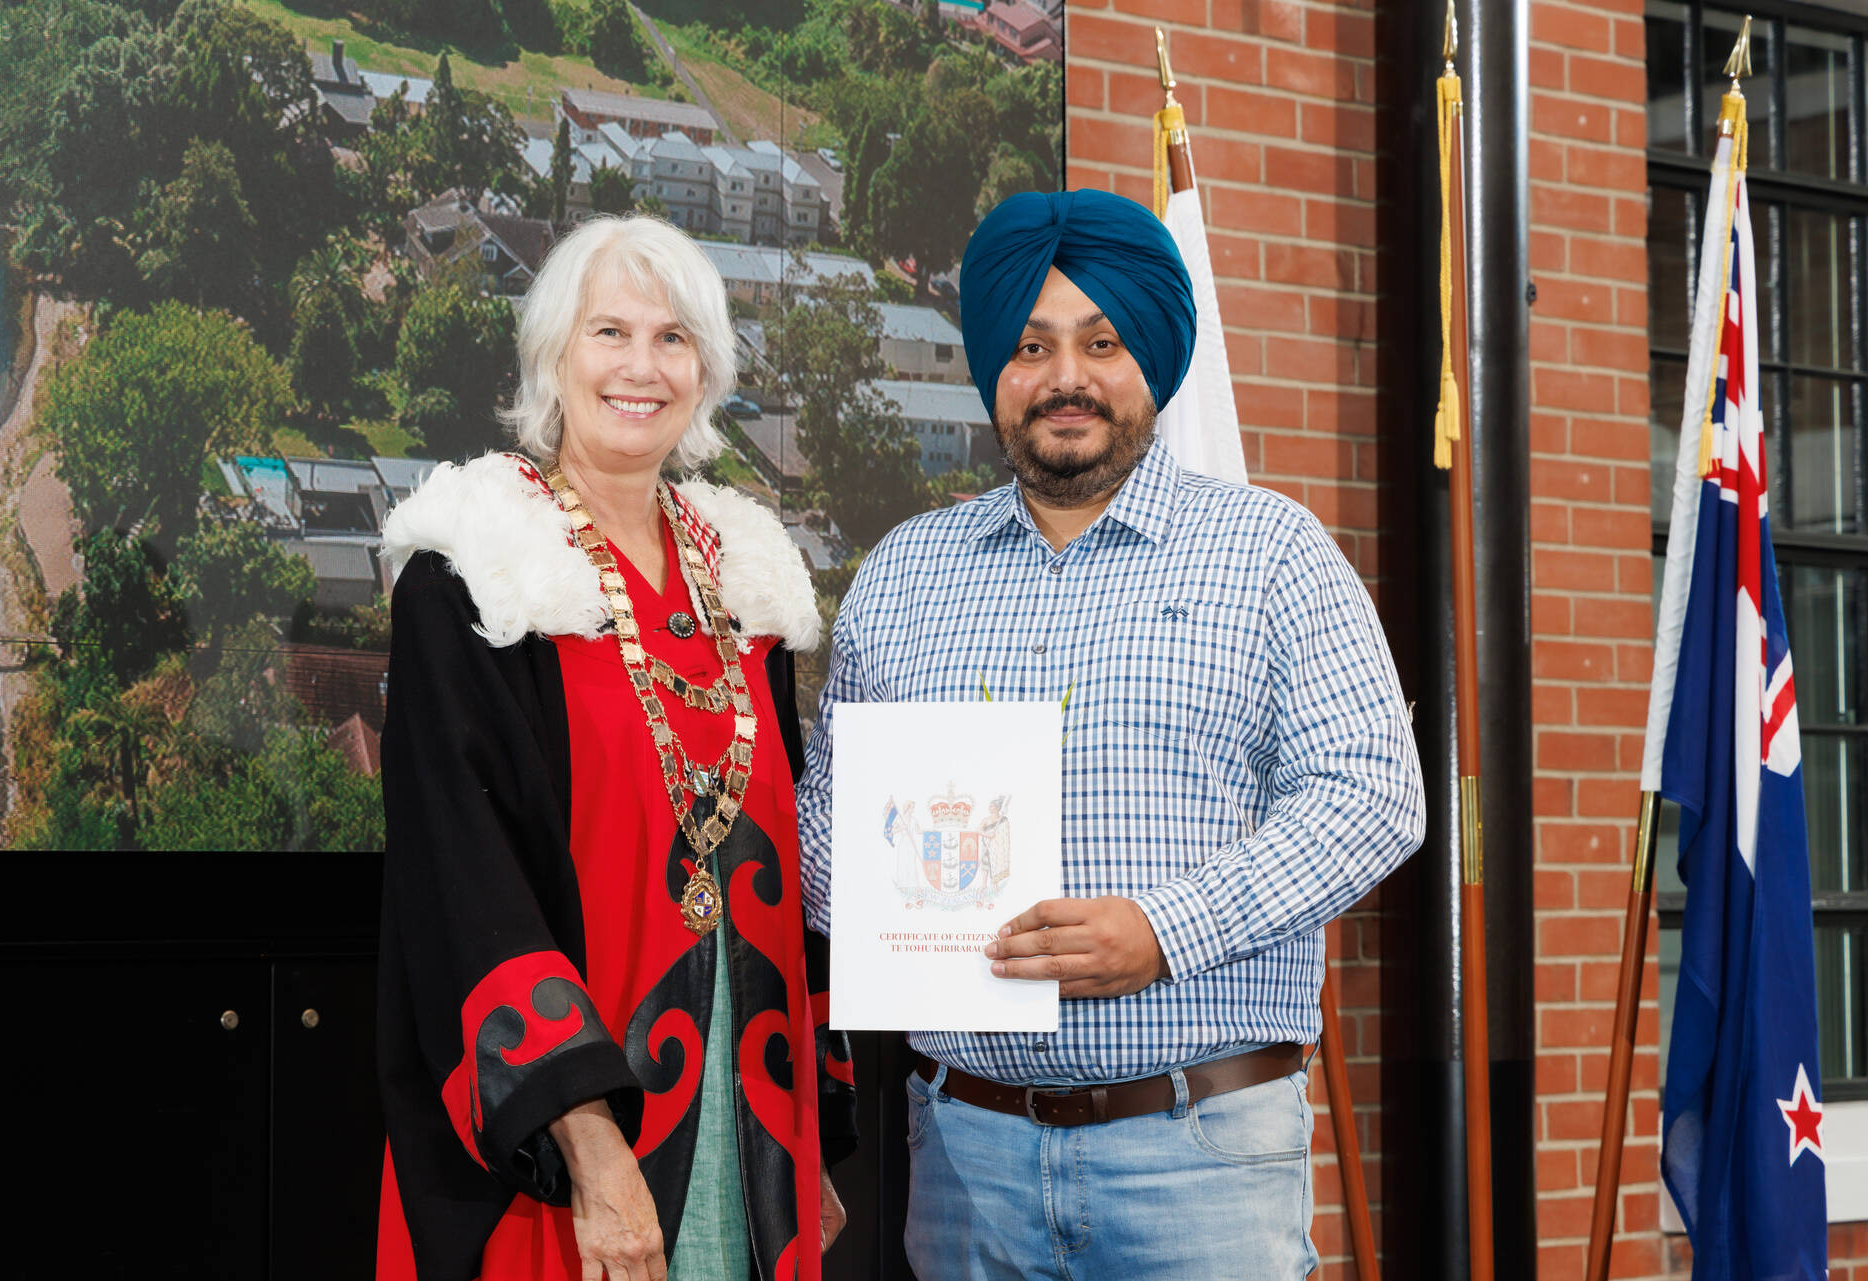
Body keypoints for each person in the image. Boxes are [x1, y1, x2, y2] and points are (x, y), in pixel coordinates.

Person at [794, 188, 1424, 1279]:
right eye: (1030, 346)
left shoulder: (1271, 552)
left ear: (1153, 362)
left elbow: (1372, 796)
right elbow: (823, 830)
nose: (1065, 378)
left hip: (1201, 1158)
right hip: (964, 1160)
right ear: (995, 369)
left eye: (1102, 342)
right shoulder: (902, 575)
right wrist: (892, 908)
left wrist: (1162, 931)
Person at [375, 214, 854, 1281]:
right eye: (610, 332)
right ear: (553, 355)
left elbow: (785, 866)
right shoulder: (476, 576)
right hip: (567, 1132)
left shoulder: (749, 581)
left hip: (750, 1112)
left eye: (673, 338)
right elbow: (464, 883)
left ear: (706, 372)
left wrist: (812, 1126)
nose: (643, 366)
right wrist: (588, 1145)